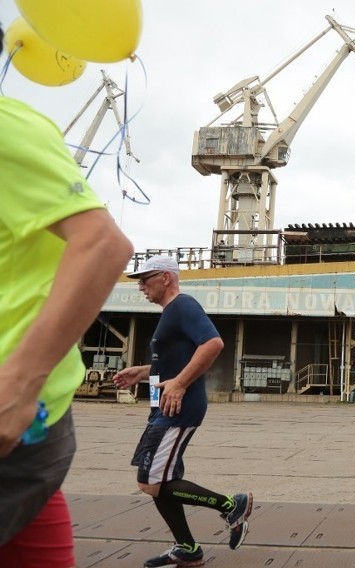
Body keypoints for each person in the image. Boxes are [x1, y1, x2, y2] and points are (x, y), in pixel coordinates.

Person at [0, 20, 135, 566]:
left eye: (152, 283)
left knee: (156, 482)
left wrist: (18, 383)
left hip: (17, 414)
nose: (147, 291)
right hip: (28, 427)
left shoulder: (8, 130)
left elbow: (103, 244)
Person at [112, 256, 252, 567]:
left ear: (165, 277)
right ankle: (187, 547)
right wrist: (145, 372)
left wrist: (178, 384)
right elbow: (176, 363)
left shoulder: (183, 305)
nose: (140, 287)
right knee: (160, 481)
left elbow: (213, 344)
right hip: (163, 408)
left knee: (150, 481)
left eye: (145, 279)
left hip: (178, 409)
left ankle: (231, 505)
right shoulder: (170, 314)